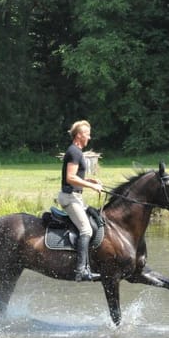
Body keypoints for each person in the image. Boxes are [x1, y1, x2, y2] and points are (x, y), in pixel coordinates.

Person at [58, 120, 103, 282]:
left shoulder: (76, 151)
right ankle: (81, 270)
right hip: (70, 197)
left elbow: (76, 175)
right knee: (86, 230)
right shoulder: (74, 152)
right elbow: (70, 178)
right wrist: (91, 187)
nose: (89, 137)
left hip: (76, 196)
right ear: (79, 135)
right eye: (87, 134)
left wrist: (89, 181)